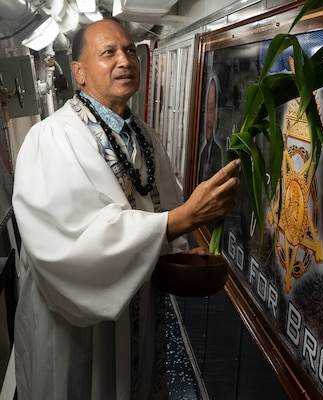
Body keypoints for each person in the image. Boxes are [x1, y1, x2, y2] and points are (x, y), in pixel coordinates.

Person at [11, 19, 240, 400]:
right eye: (108, 53)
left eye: (130, 50)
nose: (124, 60)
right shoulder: (52, 139)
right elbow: (71, 247)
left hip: (138, 311)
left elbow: (160, 209)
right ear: (79, 73)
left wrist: (178, 254)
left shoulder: (143, 137)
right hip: (80, 334)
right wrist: (182, 220)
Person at [197, 76, 223, 183]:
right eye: (207, 109)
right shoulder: (202, 152)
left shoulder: (218, 153)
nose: (208, 119)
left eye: (212, 109)